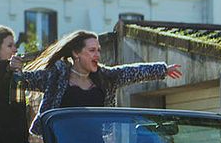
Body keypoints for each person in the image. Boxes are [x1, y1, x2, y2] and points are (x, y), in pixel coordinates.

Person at [17, 30, 182, 134]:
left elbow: (132, 72)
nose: (97, 55)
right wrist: (13, 68)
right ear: (76, 53)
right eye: (91, 50)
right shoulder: (55, 76)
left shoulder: (105, 78)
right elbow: (22, 81)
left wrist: (163, 69)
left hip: (93, 142)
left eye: (98, 51)